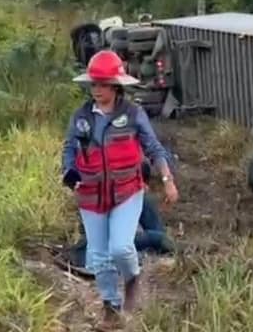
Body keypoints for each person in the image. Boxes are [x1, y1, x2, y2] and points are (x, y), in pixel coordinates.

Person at [61, 50, 179, 327]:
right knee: (98, 256)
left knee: (121, 248)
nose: (97, 90)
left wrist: (167, 179)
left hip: (127, 192)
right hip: (91, 195)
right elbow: (69, 148)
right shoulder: (81, 118)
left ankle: (132, 277)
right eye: (94, 84)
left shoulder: (133, 115)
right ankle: (111, 306)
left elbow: (153, 148)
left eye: (102, 85)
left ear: (115, 86)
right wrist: (68, 171)